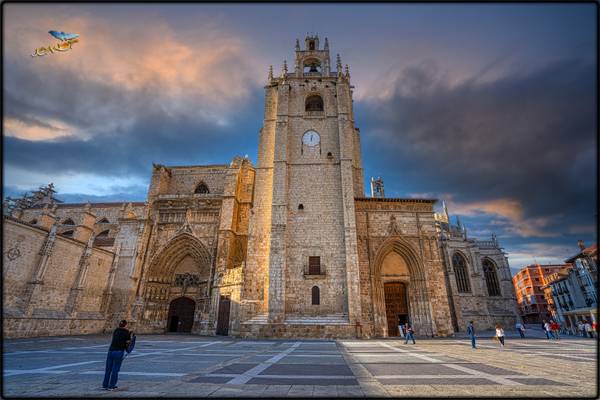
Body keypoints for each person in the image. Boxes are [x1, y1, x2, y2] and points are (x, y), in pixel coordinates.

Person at [102, 320, 132, 391]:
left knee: (108, 369)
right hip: (118, 352)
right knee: (115, 370)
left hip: (111, 351)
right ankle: (112, 386)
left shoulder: (115, 331)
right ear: (125, 325)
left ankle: (105, 385)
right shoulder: (126, 332)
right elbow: (128, 343)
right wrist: (130, 335)